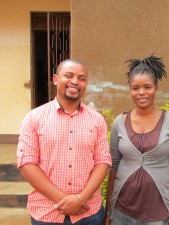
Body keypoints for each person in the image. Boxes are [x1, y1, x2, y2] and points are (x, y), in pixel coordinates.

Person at [17, 59, 112, 225]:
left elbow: (103, 161)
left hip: (89, 213)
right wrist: (67, 201)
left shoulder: (97, 120)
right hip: (47, 213)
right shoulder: (34, 118)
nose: (75, 82)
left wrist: (81, 198)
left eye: (81, 78)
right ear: (55, 79)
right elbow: (27, 164)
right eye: (69, 76)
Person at [104, 55, 169, 225]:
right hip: (121, 210)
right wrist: (108, 211)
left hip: (158, 211)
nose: (141, 92)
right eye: (135, 88)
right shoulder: (120, 122)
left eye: (147, 87)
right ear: (130, 90)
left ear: (156, 88)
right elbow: (114, 169)